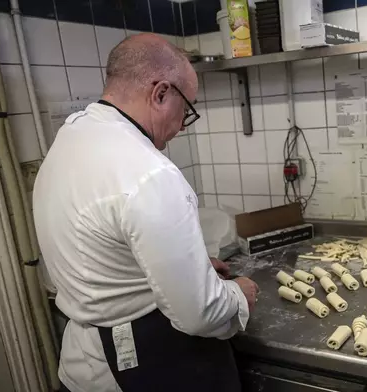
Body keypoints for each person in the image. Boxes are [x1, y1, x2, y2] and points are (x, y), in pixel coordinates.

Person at [33, 33, 259, 392]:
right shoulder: (150, 174)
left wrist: (189, 269)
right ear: (161, 93)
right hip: (140, 365)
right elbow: (200, 314)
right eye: (186, 109)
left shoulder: (71, 139)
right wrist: (237, 296)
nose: (183, 126)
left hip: (82, 364)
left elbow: (107, 247)